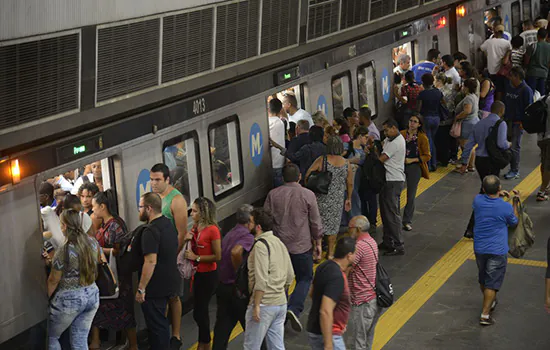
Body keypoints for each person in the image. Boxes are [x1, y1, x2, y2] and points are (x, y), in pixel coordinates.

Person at [264, 164, 322, 331]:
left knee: (281, 282)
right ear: (300, 176)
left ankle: (278, 316)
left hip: (279, 247)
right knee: (305, 277)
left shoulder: (273, 195)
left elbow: (266, 220)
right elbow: (315, 222)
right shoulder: (308, 194)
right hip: (301, 246)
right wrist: (318, 242)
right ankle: (294, 308)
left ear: (282, 178)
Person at [47, 210, 100, 350]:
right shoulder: (93, 242)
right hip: (92, 294)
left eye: (61, 224)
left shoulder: (63, 250)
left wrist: (45, 299)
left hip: (69, 299)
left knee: (51, 338)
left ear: (65, 226)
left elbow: (53, 280)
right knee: (80, 339)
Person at [90, 189, 137, 350]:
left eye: (94, 207)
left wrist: (99, 249)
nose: (93, 210)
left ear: (103, 206)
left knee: (124, 310)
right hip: (109, 275)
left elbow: (118, 251)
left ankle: (133, 344)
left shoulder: (115, 226)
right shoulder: (106, 224)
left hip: (118, 276)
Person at [243, 208, 294, 349]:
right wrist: (280, 291)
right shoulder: (279, 242)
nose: (248, 224)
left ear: (258, 227)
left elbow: (261, 279)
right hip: (280, 304)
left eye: (251, 222)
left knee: (251, 346)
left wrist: (257, 305)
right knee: (277, 346)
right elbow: (290, 275)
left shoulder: (260, 246)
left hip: (264, 304)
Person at [150, 163, 188, 348]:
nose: (154, 183)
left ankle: (176, 335)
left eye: (157, 180)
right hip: (156, 255)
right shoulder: (154, 198)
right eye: (151, 179)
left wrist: (173, 255)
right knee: (161, 296)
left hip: (171, 255)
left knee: (173, 295)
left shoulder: (176, 200)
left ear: (167, 180)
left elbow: (182, 232)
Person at [473, 176, 519, 325]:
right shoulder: (505, 207)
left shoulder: (477, 201)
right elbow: (514, 222)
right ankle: (485, 315)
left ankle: (490, 301)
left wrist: (497, 194)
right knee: (492, 283)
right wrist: (515, 203)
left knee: (483, 277)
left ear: (484, 189)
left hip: (480, 248)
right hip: (497, 250)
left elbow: (486, 197)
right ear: (499, 188)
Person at [136, 192, 179, 350]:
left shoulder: (150, 231)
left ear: (148, 208)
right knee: (161, 323)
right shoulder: (168, 224)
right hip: (169, 282)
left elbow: (150, 261)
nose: (138, 211)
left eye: (140, 207)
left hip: (155, 287)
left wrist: (141, 288)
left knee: (157, 327)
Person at [459, 101, 510, 236]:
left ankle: (475, 227)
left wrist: (464, 162)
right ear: (501, 110)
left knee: (486, 191)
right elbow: (501, 143)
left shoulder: (479, 123)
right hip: (492, 162)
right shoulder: (501, 124)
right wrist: (508, 145)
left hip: (480, 161)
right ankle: (473, 228)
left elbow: (469, 144)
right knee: (489, 194)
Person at [212, 205, 255, 350]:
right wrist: (240, 273)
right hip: (236, 290)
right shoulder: (247, 237)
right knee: (252, 328)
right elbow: (236, 253)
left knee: (222, 327)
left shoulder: (230, 232)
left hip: (222, 286)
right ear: (250, 220)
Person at [183, 197, 222, 350]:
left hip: (208, 275)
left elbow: (217, 256)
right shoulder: (196, 227)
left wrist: (196, 257)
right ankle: (203, 341)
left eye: (194, 211)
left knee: (200, 311)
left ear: (203, 213)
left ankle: (204, 343)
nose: (191, 214)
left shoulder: (212, 230)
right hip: (197, 273)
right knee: (199, 311)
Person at [306, 136, 353, 259]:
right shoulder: (346, 163)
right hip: (337, 200)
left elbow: (308, 174)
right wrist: (348, 198)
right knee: (333, 227)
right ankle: (331, 253)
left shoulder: (322, 160)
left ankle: (318, 252)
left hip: (321, 198)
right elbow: (350, 183)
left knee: (318, 224)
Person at [307, 237, 356, 350]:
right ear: (349, 255)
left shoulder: (324, 266)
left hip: (316, 328)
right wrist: (328, 344)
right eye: (355, 253)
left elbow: (312, 293)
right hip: (328, 335)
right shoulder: (337, 277)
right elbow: (325, 311)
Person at [346, 216, 380, 350]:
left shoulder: (359, 247)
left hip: (361, 301)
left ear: (358, 229)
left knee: (358, 341)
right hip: (372, 298)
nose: (348, 231)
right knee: (367, 338)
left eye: (350, 228)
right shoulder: (371, 241)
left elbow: (346, 267)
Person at [379, 119, 406, 256]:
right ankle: (388, 240)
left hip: (393, 180)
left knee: (391, 213)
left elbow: (381, 159)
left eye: (387, 130)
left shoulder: (396, 142)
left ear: (394, 128)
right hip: (389, 180)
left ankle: (398, 244)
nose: (385, 133)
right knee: (385, 212)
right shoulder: (391, 139)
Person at [503, 67, 534, 180]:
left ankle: (515, 170)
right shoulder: (510, 87)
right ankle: (510, 167)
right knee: (507, 145)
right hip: (508, 121)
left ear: (517, 76)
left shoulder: (526, 90)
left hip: (518, 122)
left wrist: (523, 122)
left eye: (511, 76)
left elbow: (529, 109)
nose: (510, 78)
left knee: (515, 147)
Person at [401, 114, 431, 232]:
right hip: (400, 165)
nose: (412, 123)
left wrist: (412, 160)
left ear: (419, 124)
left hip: (414, 166)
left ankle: (407, 220)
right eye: (410, 120)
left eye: (415, 121)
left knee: (411, 194)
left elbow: (427, 155)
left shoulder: (422, 138)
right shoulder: (402, 134)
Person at [416, 73, 443, 171]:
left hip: (426, 118)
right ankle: (434, 162)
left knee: (428, 141)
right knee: (432, 140)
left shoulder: (422, 94)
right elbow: (442, 103)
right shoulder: (438, 92)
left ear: (423, 83)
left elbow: (418, 109)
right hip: (436, 118)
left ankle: (429, 164)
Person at [453, 78, 480, 172]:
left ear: (467, 87)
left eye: (464, 86)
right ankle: (470, 165)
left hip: (467, 123)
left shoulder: (468, 98)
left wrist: (457, 117)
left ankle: (464, 165)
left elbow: (467, 111)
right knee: (470, 145)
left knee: (465, 144)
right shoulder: (474, 96)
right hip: (474, 121)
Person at [480, 25, 512, 99]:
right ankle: (499, 103)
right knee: (500, 89)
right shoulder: (507, 43)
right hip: (501, 71)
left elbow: (481, 48)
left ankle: (493, 102)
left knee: (492, 88)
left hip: (491, 70)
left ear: (494, 32)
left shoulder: (489, 42)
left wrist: (487, 54)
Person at [434, 73, 457, 167]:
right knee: (448, 141)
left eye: (435, 80)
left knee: (441, 141)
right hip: (450, 119)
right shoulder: (450, 90)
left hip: (441, 120)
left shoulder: (438, 92)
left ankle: (442, 159)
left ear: (439, 81)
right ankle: (448, 158)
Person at [268, 98, 287, 187]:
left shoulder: (267, 123)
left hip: (269, 163)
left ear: (268, 109)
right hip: (279, 162)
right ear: (280, 110)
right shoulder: (281, 123)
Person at [526, 28, 550, 95]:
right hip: (544, 73)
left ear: (537, 35)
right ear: (546, 36)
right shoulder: (549, 46)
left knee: (531, 93)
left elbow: (526, 61)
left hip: (532, 73)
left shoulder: (533, 46)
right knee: (542, 95)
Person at [536, 96, 550, 201]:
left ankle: (544, 187)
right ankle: (542, 191)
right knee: (548, 166)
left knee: (544, 163)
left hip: (541, 137)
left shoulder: (542, 98)